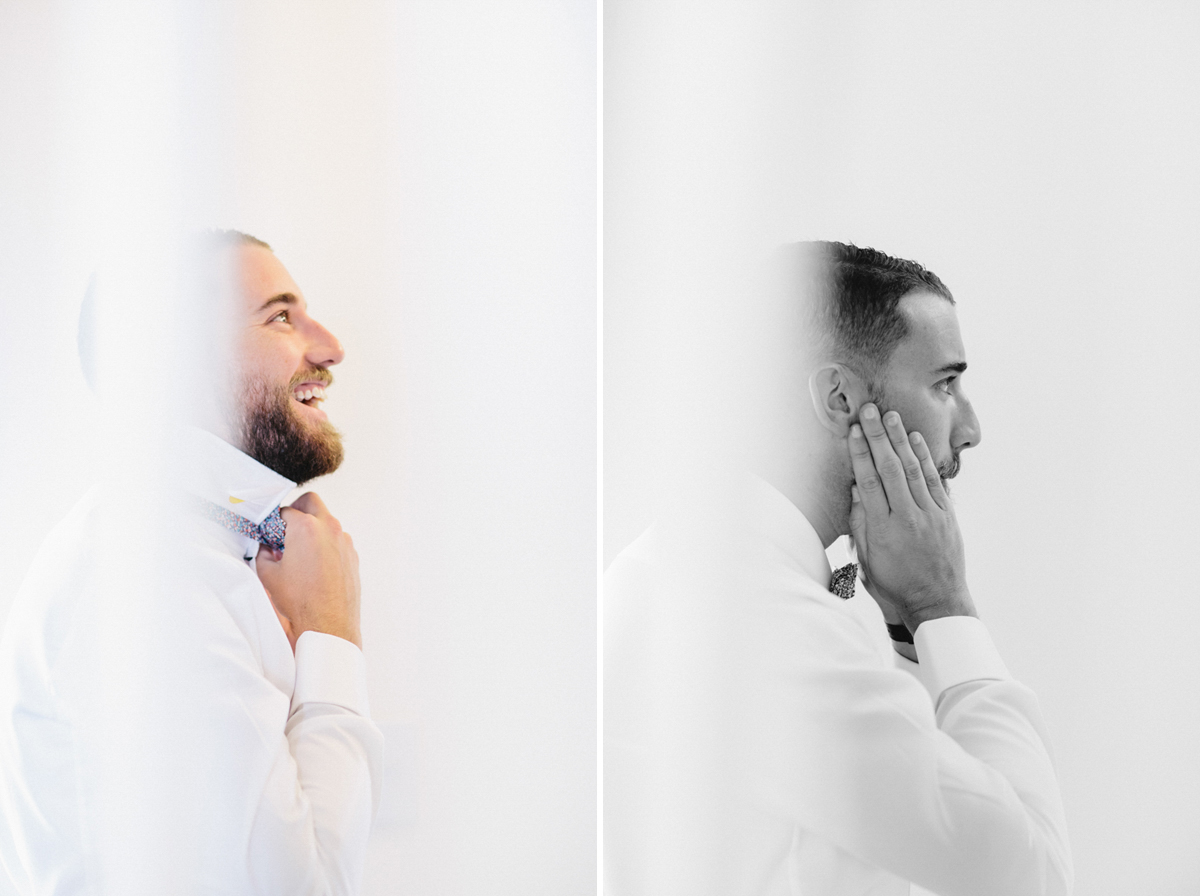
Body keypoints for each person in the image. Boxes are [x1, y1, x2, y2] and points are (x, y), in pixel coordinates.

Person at [604, 241, 1073, 895]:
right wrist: (944, 604)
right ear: (839, 399)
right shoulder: (760, 620)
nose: (970, 430)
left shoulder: (737, 578)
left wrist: (902, 626)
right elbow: (1030, 873)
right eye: (945, 383)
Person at [0, 230, 381, 894]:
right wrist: (331, 636)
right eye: (282, 315)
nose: (330, 347)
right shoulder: (147, 585)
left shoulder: (205, 549)